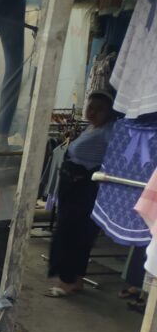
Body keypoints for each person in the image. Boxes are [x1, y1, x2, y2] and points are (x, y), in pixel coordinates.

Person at [46, 91, 116, 298]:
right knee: (76, 233)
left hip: (85, 189)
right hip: (72, 187)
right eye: (91, 107)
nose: (92, 112)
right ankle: (76, 279)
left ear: (110, 113)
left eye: (99, 109)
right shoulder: (91, 128)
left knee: (72, 234)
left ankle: (65, 281)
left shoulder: (109, 131)